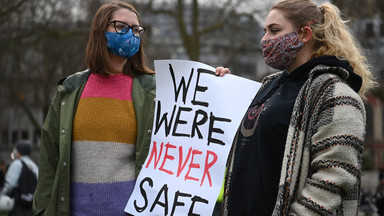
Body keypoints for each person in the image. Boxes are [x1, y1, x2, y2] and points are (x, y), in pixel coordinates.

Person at [33, 2, 228, 216]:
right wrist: (42, 211)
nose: (131, 34)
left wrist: (217, 86)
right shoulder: (69, 90)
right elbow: (49, 160)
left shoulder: (154, 90)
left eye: (136, 30)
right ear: (99, 30)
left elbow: (190, 136)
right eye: (120, 26)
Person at [217, 0, 376, 215]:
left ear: (304, 34)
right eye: (264, 31)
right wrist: (220, 90)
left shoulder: (336, 94)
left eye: (274, 30)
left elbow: (334, 176)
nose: (264, 40)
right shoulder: (268, 87)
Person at [1, 140, 38, 216]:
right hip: (31, 205)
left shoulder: (17, 164)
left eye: (16, 149)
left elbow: (10, 184)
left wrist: (2, 195)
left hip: (19, 205)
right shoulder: (34, 166)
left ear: (19, 151)